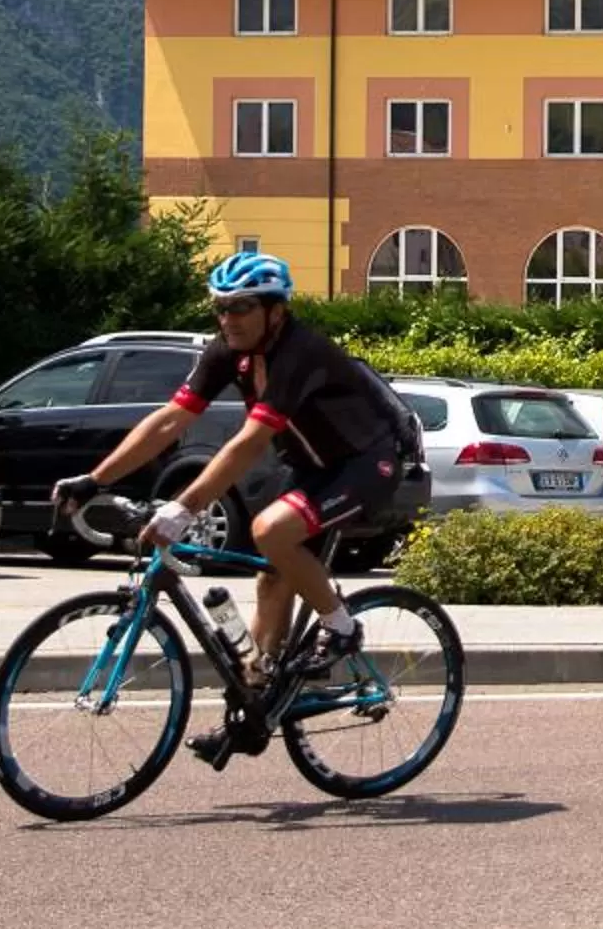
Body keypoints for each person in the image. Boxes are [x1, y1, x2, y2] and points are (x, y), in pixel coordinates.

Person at [52, 249, 419, 766]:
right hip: (314, 469)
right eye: (220, 308)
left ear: (276, 311)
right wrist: (94, 480)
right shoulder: (228, 350)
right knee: (272, 577)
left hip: (368, 464)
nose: (229, 319)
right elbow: (169, 420)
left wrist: (183, 508)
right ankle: (257, 706)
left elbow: (250, 441)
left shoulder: (301, 353)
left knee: (271, 529)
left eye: (242, 307)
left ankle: (341, 626)